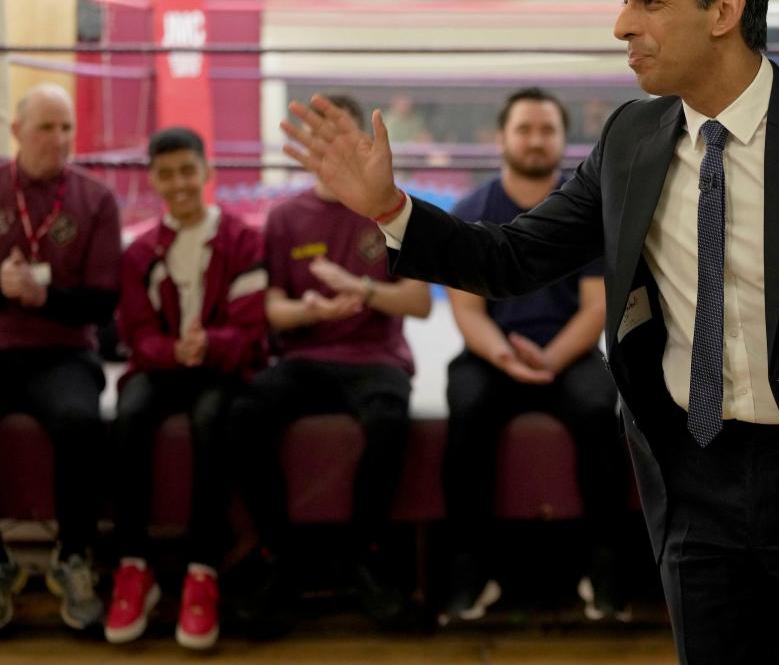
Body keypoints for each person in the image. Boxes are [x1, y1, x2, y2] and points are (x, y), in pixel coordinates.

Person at [283, 0, 779, 665]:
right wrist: (392, 209)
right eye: (623, 0)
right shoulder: (629, 139)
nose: (621, 25)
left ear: (724, 11)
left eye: (647, 2)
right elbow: (514, 257)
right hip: (693, 479)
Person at [229, 93, 431, 630]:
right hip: (306, 357)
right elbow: (271, 309)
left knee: (388, 419)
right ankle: (278, 557)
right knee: (244, 413)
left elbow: (419, 302)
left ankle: (365, 557)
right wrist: (307, 309)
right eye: (317, 137)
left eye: (338, 135)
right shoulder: (285, 216)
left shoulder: (391, 209)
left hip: (374, 357)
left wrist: (363, 290)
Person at [439, 88, 628, 625]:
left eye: (547, 130)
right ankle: (469, 568)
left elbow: (597, 307)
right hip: (493, 353)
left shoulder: (585, 211)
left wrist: (547, 359)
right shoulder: (472, 213)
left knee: (600, 410)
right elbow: (468, 312)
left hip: (566, 349)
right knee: (467, 408)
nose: (536, 139)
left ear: (563, 141)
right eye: (524, 129)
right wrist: (506, 356)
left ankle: (605, 565)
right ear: (502, 138)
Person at [106, 127, 267, 649]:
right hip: (163, 369)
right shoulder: (140, 252)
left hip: (220, 372)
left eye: (187, 171)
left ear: (207, 171)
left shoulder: (243, 240)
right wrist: (172, 351)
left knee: (210, 420)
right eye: (166, 173)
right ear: (152, 178)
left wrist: (209, 344)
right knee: (130, 413)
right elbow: (135, 332)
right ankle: (133, 565)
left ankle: (203, 570)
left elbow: (251, 329)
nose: (177, 183)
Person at [0, 83, 120, 632]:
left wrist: (41, 297)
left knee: (79, 420)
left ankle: (74, 555)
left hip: (64, 351)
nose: (59, 139)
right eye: (47, 127)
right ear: (17, 132)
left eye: (67, 127)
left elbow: (102, 302)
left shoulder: (96, 199)